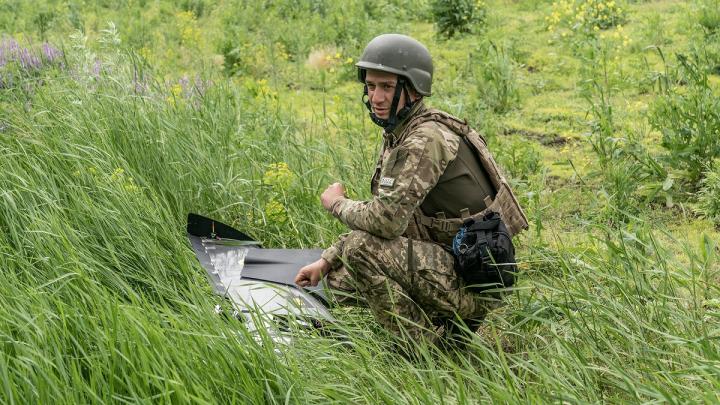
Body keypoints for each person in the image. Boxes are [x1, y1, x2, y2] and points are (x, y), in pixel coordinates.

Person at [294, 33, 528, 345]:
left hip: (471, 281)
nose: (376, 97)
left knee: (361, 250)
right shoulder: (404, 131)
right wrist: (326, 260)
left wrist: (337, 203)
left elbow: (385, 222)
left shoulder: (424, 140)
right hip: (451, 260)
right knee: (335, 281)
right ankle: (444, 325)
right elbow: (390, 213)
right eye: (371, 86)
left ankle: (421, 347)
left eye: (387, 87)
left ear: (414, 90)